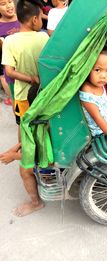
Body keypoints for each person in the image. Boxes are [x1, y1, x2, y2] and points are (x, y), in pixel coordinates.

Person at [1, 0, 49, 217]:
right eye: (40, 17)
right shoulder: (43, 37)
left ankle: (25, 157)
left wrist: (29, 79)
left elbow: (9, 72)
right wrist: (37, 79)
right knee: (41, 127)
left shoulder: (9, 41)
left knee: (26, 126)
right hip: (46, 95)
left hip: (23, 95)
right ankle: (25, 153)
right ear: (34, 19)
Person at [79, 44, 107, 150]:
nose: (103, 76)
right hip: (99, 135)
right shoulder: (86, 91)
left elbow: (101, 101)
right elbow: (97, 118)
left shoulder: (100, 85)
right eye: (98, 70)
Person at [0, 0, 20, 105]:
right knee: (16, 101)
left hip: (27, 66)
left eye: (10, 1)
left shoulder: (22, 16)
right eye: (3, 4)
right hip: (10, 70)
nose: (8, 6)